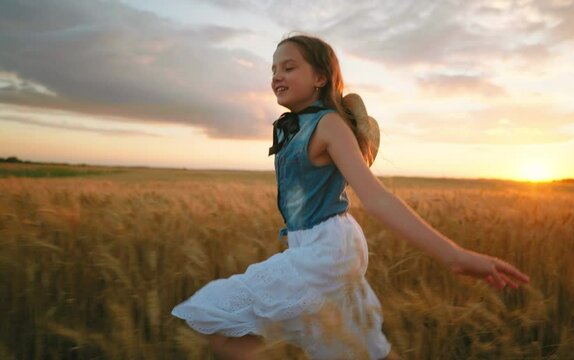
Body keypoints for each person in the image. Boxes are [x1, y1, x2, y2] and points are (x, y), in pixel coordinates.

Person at [171, 33, 530, 360]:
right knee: (357, 351)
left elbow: (376, 198)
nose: (276, 76)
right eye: (273, 69)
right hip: (317, 247)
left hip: (326, 249)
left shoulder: (327, 124)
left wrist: (455, 256)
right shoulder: (293, 129)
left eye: (289, 67)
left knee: (211, 312)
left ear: (320, 78)